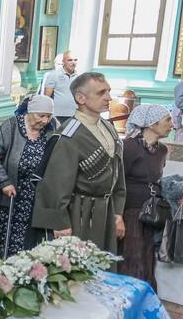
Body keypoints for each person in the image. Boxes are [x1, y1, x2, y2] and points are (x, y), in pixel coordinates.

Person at [33, 71, 126, 253]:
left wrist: (117, 211)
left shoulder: (108, 127)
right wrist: (59, 222)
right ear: (81, 98)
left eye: (108, 91)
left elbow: (118, 173)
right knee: (78, 270)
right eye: (101, 93)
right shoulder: (69, 134)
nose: (108, 97)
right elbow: (56, 183)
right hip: (79, 213)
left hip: (105, 210)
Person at [0, 94, 56, 258]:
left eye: (48, 116)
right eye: (41, 115)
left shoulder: (51, 130)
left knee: (29, 246)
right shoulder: (11, 126)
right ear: (30, 111)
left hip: (35, 199)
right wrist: (4, 182)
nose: (45, 121)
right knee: (4, 244)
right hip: (11, 196)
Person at [117, 104, 173, 291]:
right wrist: (117, 217)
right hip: (129, 214)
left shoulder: (162, 150)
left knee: (147, 260)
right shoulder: (129, 147)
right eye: (167, 120)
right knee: (131, 261)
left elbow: (157, 181)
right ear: (151, 124)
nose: (172, 124)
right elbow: (117, 182)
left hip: (150, 216)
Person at [41, 51, 79, 123]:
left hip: (75, 115)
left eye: (75, 60)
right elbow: (47, 98)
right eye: (70, 60)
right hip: (57, 115)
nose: (73, 62)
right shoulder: (53, 75)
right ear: (63, 61)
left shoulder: (79, 77)